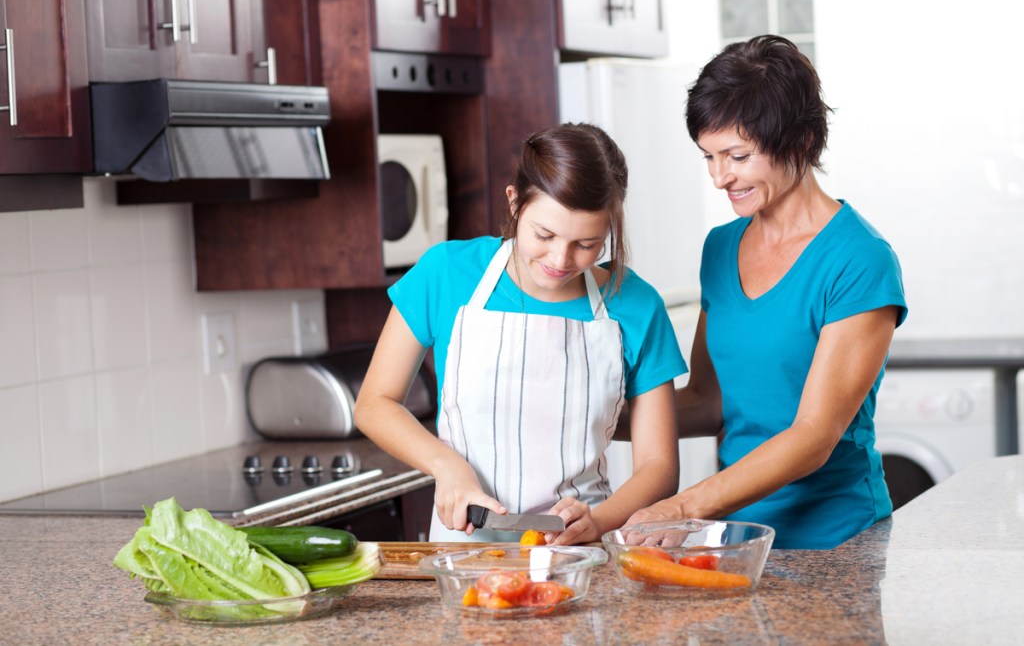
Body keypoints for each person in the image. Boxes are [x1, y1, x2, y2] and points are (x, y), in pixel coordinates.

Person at [625, 35, 908, 549]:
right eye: (708, 157)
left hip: (835, 544)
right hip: (736, 541)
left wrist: (681, 507)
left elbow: (811, 439)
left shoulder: (859, 260)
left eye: (737, 156)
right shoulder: (720, 248)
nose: (719, 177)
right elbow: (710, 403)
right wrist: (593, 421)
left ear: (800, 141)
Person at [354, 123, 685, 544]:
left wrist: (600, 521)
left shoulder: (637, 305)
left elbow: (658, 465)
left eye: (587, 244)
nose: (561, 259)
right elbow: (374, 404)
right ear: (515, 204)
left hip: (579, 549)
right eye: (544, 235)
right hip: (464, 548)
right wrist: (446, 466)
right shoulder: (446, 272)